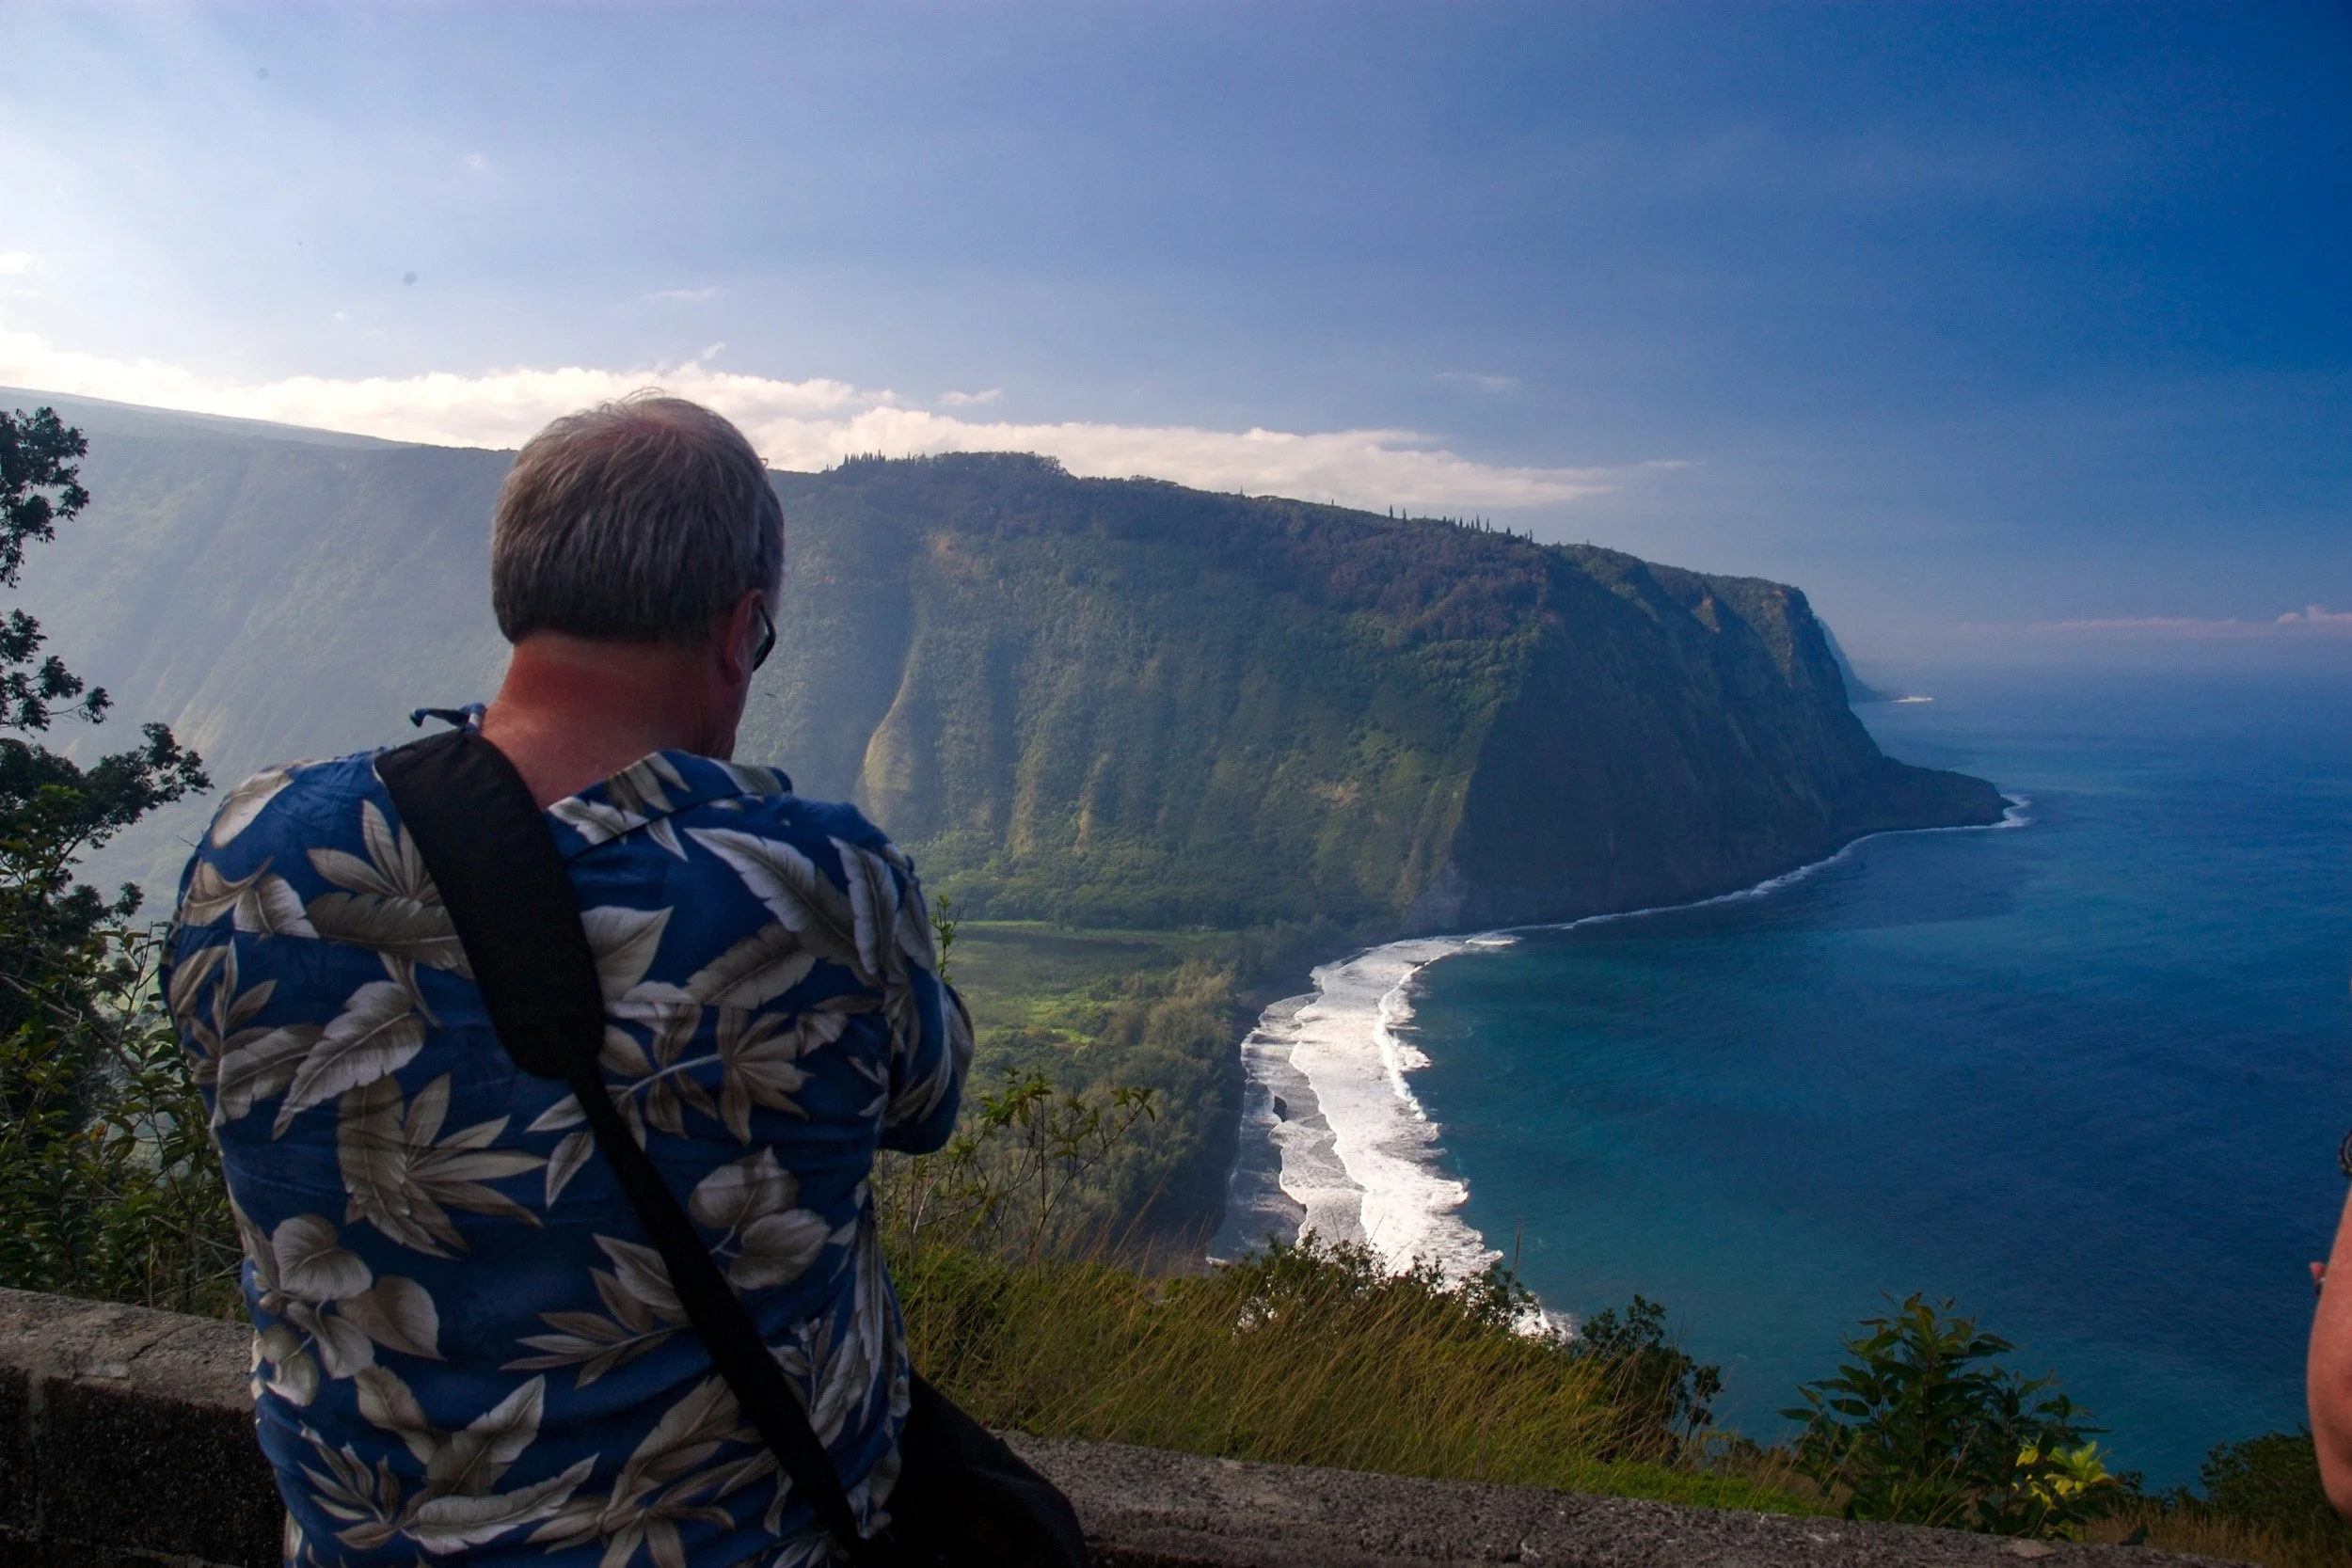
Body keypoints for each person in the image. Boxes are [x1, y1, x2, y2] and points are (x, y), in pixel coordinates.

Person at [163, 393, 971, 1568]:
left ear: (516, 587)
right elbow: (923, 1106)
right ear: (740, 629)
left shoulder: (254, 851)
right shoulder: (820, 891)